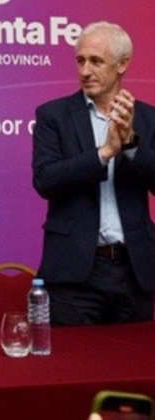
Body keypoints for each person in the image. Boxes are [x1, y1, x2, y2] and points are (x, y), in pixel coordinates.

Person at [32, 21, 154, 325]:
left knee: (135, 357)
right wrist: (104, 153)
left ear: (122, 64)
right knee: (73, 357)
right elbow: (45, 179)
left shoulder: (148, 118)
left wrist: (131, 146)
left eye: (96, 61)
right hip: (74, 275)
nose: (85, 71)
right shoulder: (53, 115)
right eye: (80, 60)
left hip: (134, 271)